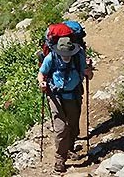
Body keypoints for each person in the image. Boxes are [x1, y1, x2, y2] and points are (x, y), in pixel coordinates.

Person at [37, 36, 93, 173]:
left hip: (73, 95)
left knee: (73, 125)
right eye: (64, 54)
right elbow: (41, 73)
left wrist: (88, 70)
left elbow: (89, 76)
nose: (66, 56)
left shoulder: (77, 57)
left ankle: (69, 148)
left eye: (68, 53)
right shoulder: (51, 57)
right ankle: (59, 160)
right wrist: (42, 83)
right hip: (55, 96)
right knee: (61, 128)